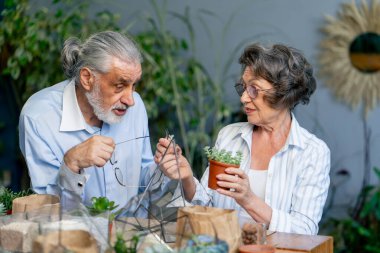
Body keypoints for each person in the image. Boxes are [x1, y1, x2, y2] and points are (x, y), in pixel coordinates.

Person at [155, 43, 330, 235]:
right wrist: (186, 177)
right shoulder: (230, 135)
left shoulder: (312, 152)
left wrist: (248, 199)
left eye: (254, 89)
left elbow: (304, 230)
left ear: (284, 94)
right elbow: (206, 202)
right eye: (243, 88)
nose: (244, 98)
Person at [19, 31, 156, 210]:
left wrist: (164, 171)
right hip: (74, 235)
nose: (130, 100)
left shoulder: (135, 107)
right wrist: (71, 165)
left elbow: (144, 175)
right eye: (120, 86)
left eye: (134, 85)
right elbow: (46, 211)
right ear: (87, 78)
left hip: (130, 233)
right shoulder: (39, 118)